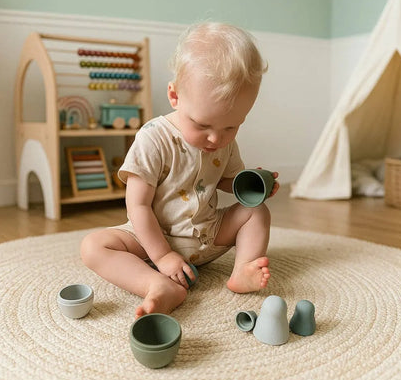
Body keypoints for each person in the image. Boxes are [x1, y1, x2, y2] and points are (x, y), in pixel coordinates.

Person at [80, 22, 279, 318]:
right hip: (151, 240)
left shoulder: (223, 141)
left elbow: (226, 180)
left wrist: (248, 184)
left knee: (257, 212)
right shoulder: (153, 138)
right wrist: (163, 256)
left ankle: (242, 271)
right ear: (174, 96)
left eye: (231, 126)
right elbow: (138, 205)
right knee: (93, 247)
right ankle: (157, 284)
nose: (216, 138)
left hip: (206, 234)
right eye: (202, 125)